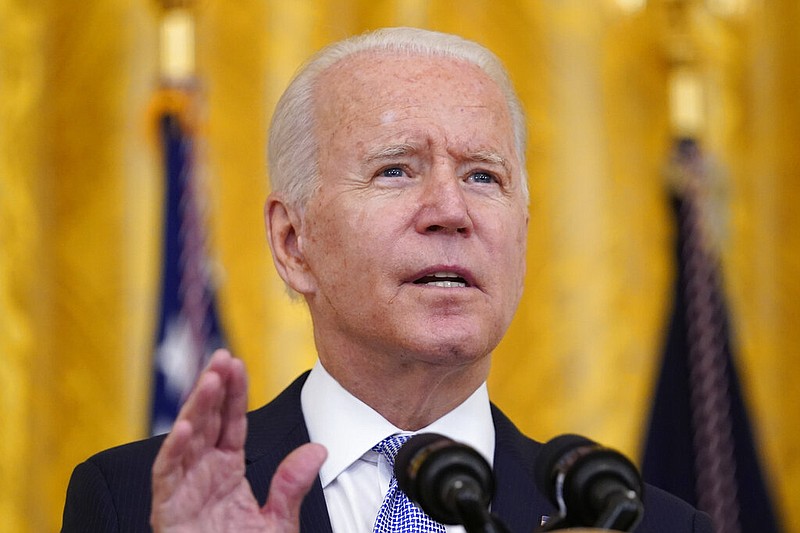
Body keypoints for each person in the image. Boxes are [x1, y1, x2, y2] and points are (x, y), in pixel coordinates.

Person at [62, 27, 711, 532]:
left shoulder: (647, 523)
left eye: (483, 175)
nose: (451, 211)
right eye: (396, 170)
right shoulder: (133, 502)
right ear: (293, 243)